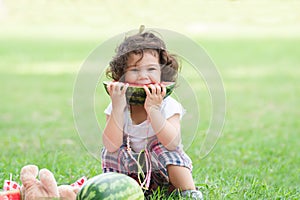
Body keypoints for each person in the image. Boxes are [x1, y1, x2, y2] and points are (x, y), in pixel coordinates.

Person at [101, 28, 203, 199]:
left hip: (164, 174)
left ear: (162, 72)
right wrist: (117, 108)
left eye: (151, 69)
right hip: (130, 176)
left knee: (163, 148)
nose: (143, 76)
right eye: (134, 70)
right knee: (111, 151)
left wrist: (154, 110)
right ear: (122, 76)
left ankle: (188, 192)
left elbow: (172, 143)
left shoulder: (168, 106)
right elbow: (111, 146)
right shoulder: (117, 106)